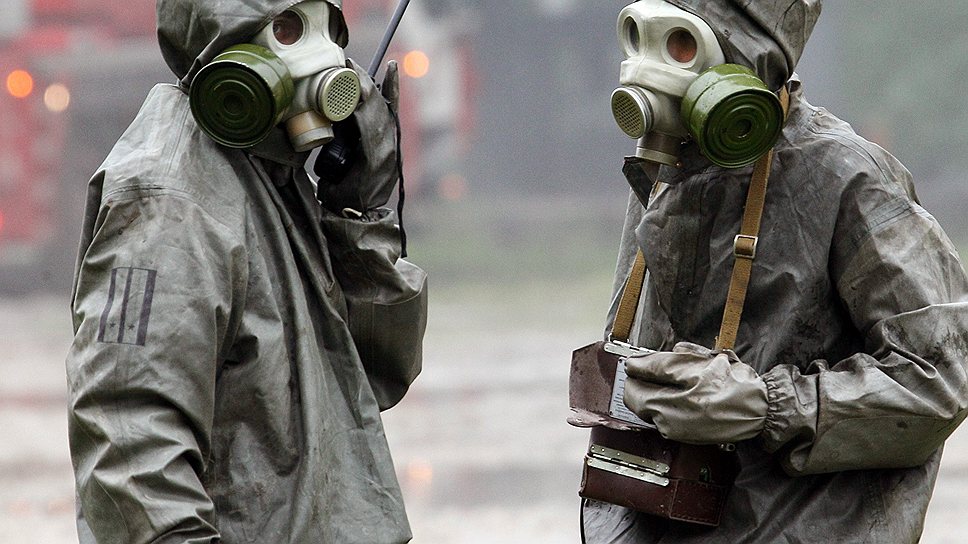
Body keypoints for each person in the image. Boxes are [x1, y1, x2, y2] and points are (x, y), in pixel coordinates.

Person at [581, 0, 968, 542]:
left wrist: (769, 406)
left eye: (678, 43)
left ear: (744, 54)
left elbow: (942, 376)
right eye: (637, 38)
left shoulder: (846, 176)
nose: (651, 68)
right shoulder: (671, 168)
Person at [65, 1, 427, 542]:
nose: (326, 54)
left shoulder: (271, 179)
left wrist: (358, 212)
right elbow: (129, 447)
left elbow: (370, 381)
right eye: (289, 28)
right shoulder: (170, 203)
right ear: (224, 38)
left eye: (329, 27)